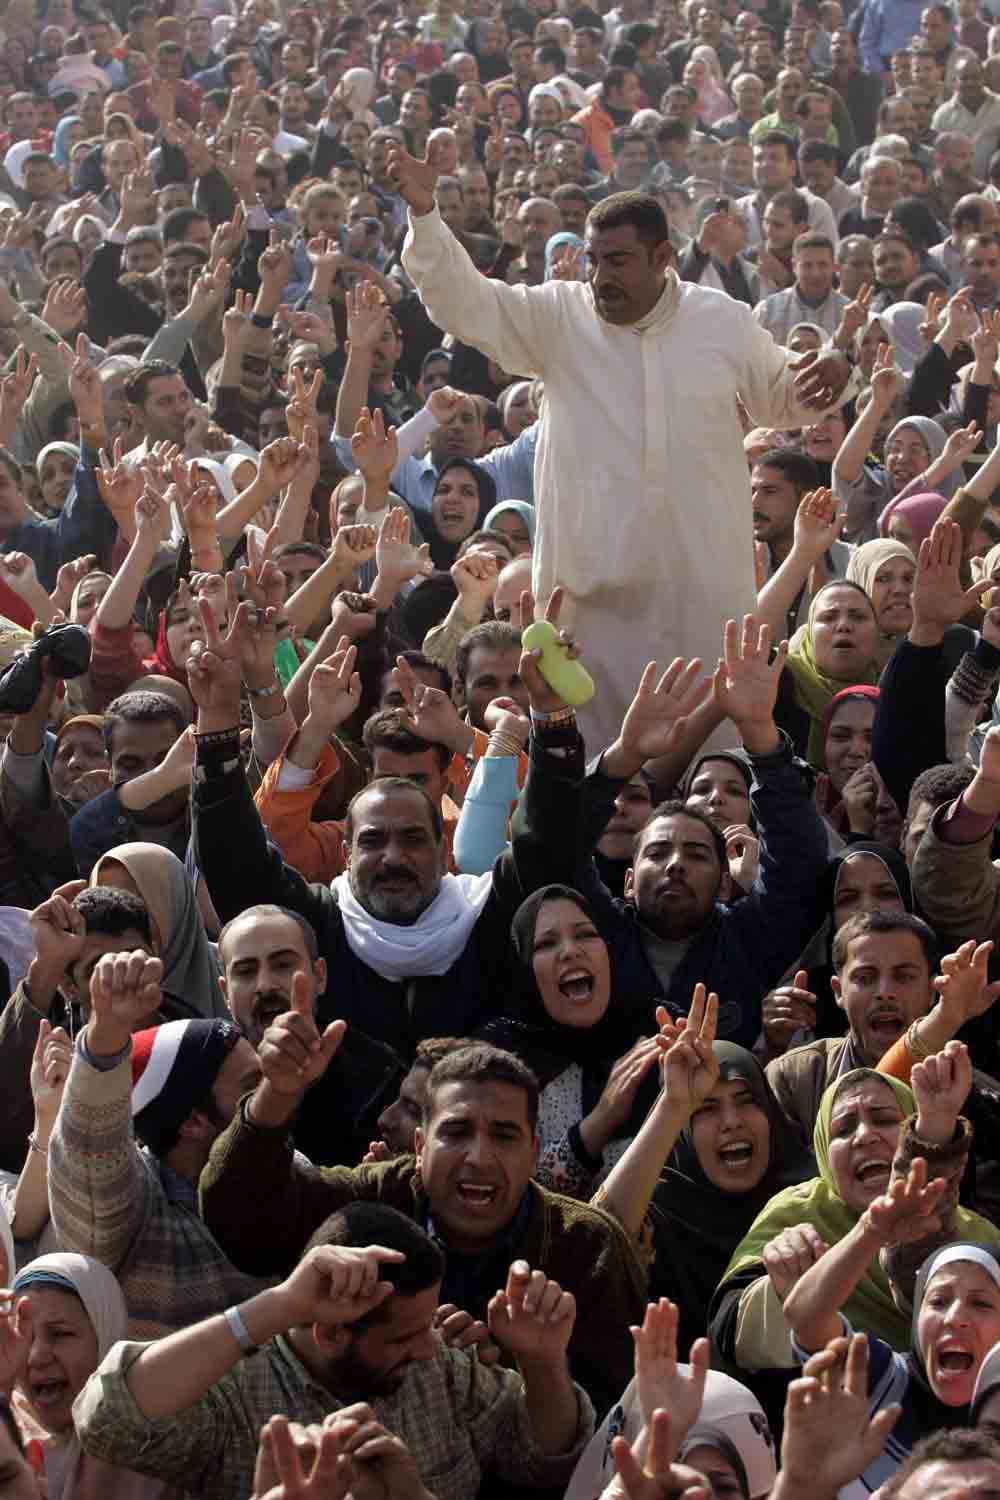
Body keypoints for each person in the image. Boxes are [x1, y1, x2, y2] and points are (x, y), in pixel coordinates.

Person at [390, 148, 856, 752]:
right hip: (592, 606)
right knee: (595, 774)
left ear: (663, 257)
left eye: (617, 260)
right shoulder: (559, 316)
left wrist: (833, 369)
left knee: (709, 771)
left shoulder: (720, 319)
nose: (599, 276)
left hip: (702, 592)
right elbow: (468, 303)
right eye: (593, 259)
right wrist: (426, 214)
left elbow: (782, 397)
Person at [199, 1038, 646, 1417]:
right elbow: (240, 1220)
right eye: (456, 1131)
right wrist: (274, 1096)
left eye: (504, 1136)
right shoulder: (370, 1202)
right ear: (419, 1146)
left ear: (534, 1152)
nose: (478, 1157)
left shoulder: (589, 1249)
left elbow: (612, 1428)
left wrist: (515, 1364)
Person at [73, 1204, 595, 1500]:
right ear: (331, 1333)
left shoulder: (444, 1373)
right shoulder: (238, 1391)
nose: (430, 1347)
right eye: (402, 1338)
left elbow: (541, 1461)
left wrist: (543, 1361)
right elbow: (109, 1420)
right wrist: (277, 1305)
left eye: (425, 1328)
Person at [710, 1062, 1000, 1428]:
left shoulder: (975, 1236)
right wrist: (784, 1288)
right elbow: (730, 1333)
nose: (865, 1136)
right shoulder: (798, 1214)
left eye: (883, 1119)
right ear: (821, 1151)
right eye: (844, 1129)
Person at [46, 946, 266, 1337]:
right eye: (252, 1085)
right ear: (194, 1121)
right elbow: (91, 1155)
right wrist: (107, 1032)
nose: (274, 1093)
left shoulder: (287, 1169)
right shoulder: (139, 1214)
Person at [595, 988, 812, 1356]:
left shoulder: (811, 1196)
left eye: (746, 1101)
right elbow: (597, 1240)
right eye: (706, 1109)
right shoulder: (658, 1207)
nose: (731, 1123)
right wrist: (674, 1104)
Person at [476, 885, 663, 1198]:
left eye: (586, 935)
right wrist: (600, 1122)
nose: (571, 951)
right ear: (524, 969)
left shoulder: (658, 1034)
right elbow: (506, 1198)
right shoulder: (496, 1067)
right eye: (546, 943)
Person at [7, 1250, 171, 1500]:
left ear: (106, 1337)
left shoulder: (149, 1447)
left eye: (60, 1334)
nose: (36, 1356)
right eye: (24, 1337)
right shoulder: (9, 1436)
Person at [89, 843, 225, 1020]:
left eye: (133, 905)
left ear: (176, 902)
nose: (117, 924)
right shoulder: (90, 992)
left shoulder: (240, 968)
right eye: (105, 909)